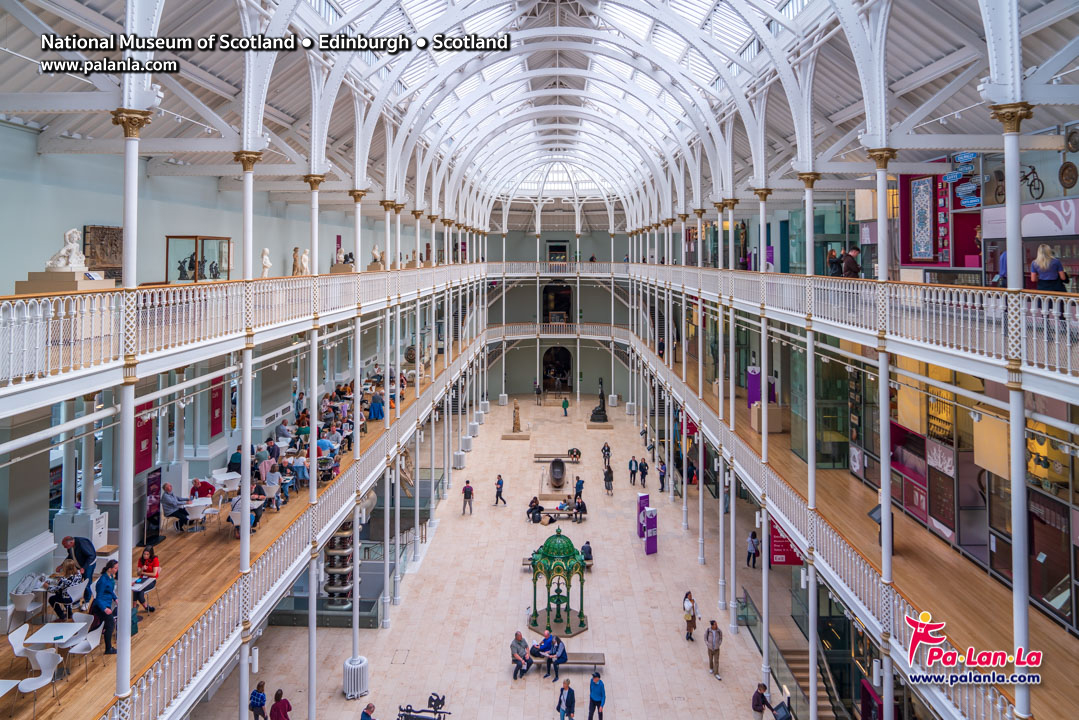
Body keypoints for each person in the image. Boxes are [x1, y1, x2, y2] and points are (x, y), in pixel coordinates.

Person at [90, 559, 119, 655]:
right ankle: (108, 648)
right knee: (110, 625)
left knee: (105, 624)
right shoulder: (102, 581)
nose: (117, 570)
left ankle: (91, 634)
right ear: (110, 569)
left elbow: (110, 591)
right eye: (115, 568)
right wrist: (105, 609)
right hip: (100, 606)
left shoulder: (111, 577)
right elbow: (98, 598)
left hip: (106, 604)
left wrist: (115, 598)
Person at [60, 535, 96, 604]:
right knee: (76, 583)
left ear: (71, 543)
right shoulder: (70, 547)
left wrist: (84, 567)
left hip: (88, 565)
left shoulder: (82, 543)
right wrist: (62, 565)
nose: (64, 547)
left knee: (87, 583)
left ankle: (87, 601)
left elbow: (91, 556)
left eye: (65, 545)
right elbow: (70, 556)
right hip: (79, 565)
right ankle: (76, 601)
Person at [133, 546, 159, 614]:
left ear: (151, 554)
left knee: (140, 590)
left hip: (151, 580)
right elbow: (138, 573)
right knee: (135, 588)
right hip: (142, 579)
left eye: (147, 554)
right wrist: (142, 569)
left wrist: (143, 572)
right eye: (144, 554)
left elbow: (154, 574)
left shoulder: (155, 559)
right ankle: (135, 607)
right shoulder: (141, 560)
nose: (145, 556)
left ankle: (144, 607)